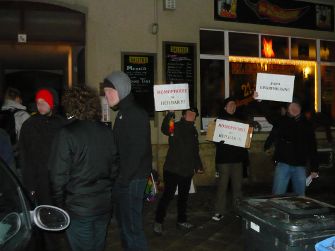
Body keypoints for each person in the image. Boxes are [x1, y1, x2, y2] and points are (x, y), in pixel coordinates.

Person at [48, 86, 119, 251]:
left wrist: (59, 206)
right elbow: (114, 169)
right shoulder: (106, 132)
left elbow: (58, 176)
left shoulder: (66, 134)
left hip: (78, 207)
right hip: (103, 205)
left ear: (70, 105)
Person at [103, 71, 152, 251]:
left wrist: (123, 179)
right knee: (125, 226)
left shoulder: (135, 113)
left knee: (132, 228)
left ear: (122, 90)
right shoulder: (124, 112)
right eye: (105, 92)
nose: (106, 96)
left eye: (110, 91)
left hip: (132, 179)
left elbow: (137, 151)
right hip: (125, 178)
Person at [19, 88, 65, 251]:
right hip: (40, 181)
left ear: (52, 103)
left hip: (60, 180)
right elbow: (25, 157)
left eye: (44, 102)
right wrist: (29, 185)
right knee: (45, 217)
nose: (41, 105)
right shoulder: (29, 125)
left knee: (61, 215)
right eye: (38, 102)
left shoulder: (62, 124)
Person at [254, 92, 319, 196]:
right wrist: (260, 100)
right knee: (278, 196)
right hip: (283, 164)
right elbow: (269, 114)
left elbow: (312, 147)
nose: (295, 108)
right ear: (288, 108)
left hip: (300, 166)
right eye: (292, 106)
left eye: (297, 106)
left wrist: (315, 168)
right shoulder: (282, 121)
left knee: (300, 198)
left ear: (300, 108)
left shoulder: (307, 125)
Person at [153, 108, 204, 235]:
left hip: (187, 171)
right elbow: (165, 129)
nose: (192, 116)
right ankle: (158, 222)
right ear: (183, 115)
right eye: (190, 113)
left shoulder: (193, 131)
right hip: (172, 169)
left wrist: (198, 165)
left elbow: (195, 150)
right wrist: (170, 114)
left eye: (194, 114)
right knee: (167, 196)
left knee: (183, 197)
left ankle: (181, 221)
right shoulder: (175, 126)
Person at [212, 97, 249, 222]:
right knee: (222, 185)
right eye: (229, 105)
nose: (232, 107)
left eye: (234, 105)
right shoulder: (219, 121)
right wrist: (220, 140)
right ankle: (219, 211)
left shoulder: (240, 121)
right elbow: (213, 138)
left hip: (237, 158)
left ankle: (238, 210)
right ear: (225, 107)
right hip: (224, 159)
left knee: (237, 186)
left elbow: (246, 139)